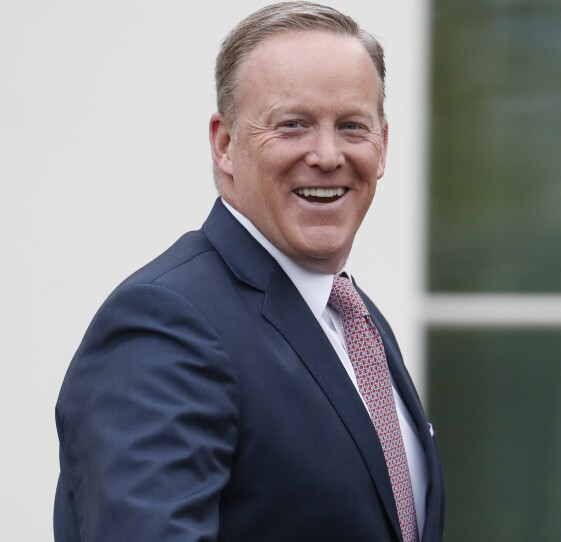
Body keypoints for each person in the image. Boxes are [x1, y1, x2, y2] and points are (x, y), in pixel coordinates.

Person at [53, 3, 445, 541]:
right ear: (224, 144)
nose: (327, 155)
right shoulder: (165, 325)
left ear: (383, 146)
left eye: (352, 126)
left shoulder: (354, 321)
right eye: (293, 125)